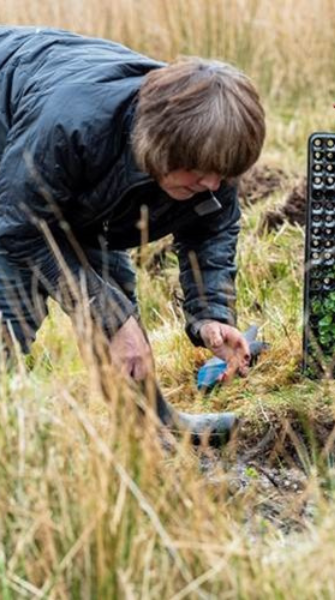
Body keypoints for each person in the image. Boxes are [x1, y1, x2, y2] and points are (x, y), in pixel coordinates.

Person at [0, 26, 266, 441]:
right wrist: (110, 317)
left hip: (71, 178)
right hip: (18, 154)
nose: (214, 184)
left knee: (115, 298)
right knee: (11, 311)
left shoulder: (210, 149)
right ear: (158, 148)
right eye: (200, 173)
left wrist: (210, 314)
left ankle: (146, 426)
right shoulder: (71, 125)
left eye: (223, 174)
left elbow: (211, 229)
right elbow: (18, 229)